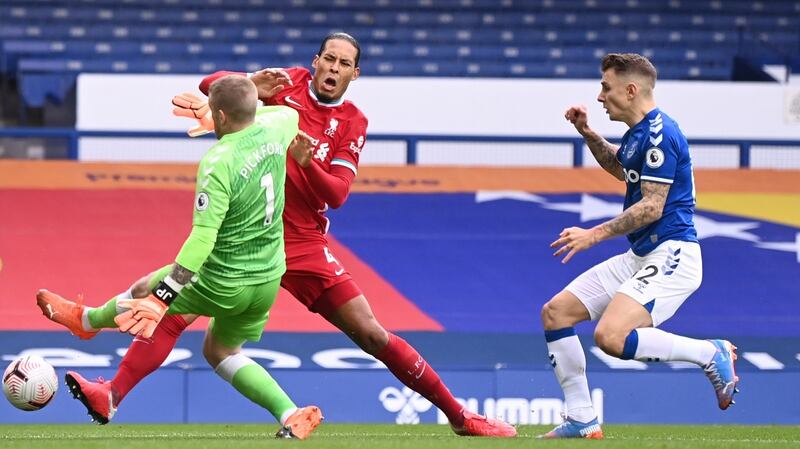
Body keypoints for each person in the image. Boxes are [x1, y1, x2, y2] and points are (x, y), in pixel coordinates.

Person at [37, 32, 516, 438]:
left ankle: (459, 415)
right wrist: (250, 79)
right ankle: (110, 388)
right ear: (315, 62)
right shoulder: (289, 88)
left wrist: (308, 165)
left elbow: (338, 194)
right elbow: (218, 90)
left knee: (370, 332)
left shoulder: (351, 123)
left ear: (355, 75)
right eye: (328, 58)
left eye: (344, 63)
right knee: (172, 316)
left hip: (303, 242)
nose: (333, 67)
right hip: (247, 235)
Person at [538, 53, 739, 439]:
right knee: (556, 313)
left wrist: (592, 235)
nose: (600, 97)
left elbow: (651, 206)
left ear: (630, 90)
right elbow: (621, 167)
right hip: (643, 254)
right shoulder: (639, 133)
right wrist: (588, 133)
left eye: (605, 87)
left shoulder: (662, 133)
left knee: (610, 337)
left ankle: (709, 353)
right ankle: (581, 418)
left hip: (673, 253)